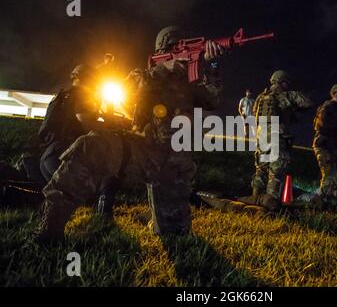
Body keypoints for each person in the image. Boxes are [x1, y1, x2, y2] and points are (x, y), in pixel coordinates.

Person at [33, 26, 224, 243]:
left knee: (174, 234)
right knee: (90, 145)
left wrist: (213, 65)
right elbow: (130, 91)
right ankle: (50, 224)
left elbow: (213, 99)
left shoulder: (191, 84)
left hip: (174, 165)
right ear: (162, 52)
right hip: (141, 152)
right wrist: (164, 70)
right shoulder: (145, 75)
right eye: (174, 50)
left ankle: (156, 215)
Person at [241, 70, 313, 210]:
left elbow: (255, 113)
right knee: (276, 171)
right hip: (276, 136)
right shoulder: (284, 95)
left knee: (261, 170)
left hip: (261, 136)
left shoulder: (261, 98)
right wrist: (292, 106)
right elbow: (307, 102)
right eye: (286, 83)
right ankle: (270, 205)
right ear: (283, 82)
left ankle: (254, 201)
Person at [38, 64, 100, 182]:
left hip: (48, 156)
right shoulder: (82, 95)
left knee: (59, 198)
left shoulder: (61, 97)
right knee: (99, 184)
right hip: (66, 155)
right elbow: (86, 123)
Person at [302, 83, 337, 205]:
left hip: (332, 146)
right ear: (335, 93)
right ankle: (322, 201)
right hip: (323, 145)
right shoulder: (327, 107)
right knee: (329, 174)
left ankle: (332, 197)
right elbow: (321, 126)